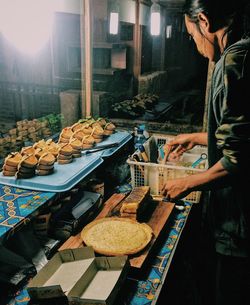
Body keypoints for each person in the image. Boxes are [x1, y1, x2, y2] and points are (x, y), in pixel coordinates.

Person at [161, 1, 250, 305]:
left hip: (239, 229)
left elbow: (239, 161)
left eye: (192, 35)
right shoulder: (244, 52)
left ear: (204, 21)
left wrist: (185, 183)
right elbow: (243, 133)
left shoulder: (234, 62)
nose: (196, 45)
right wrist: (200, 138)